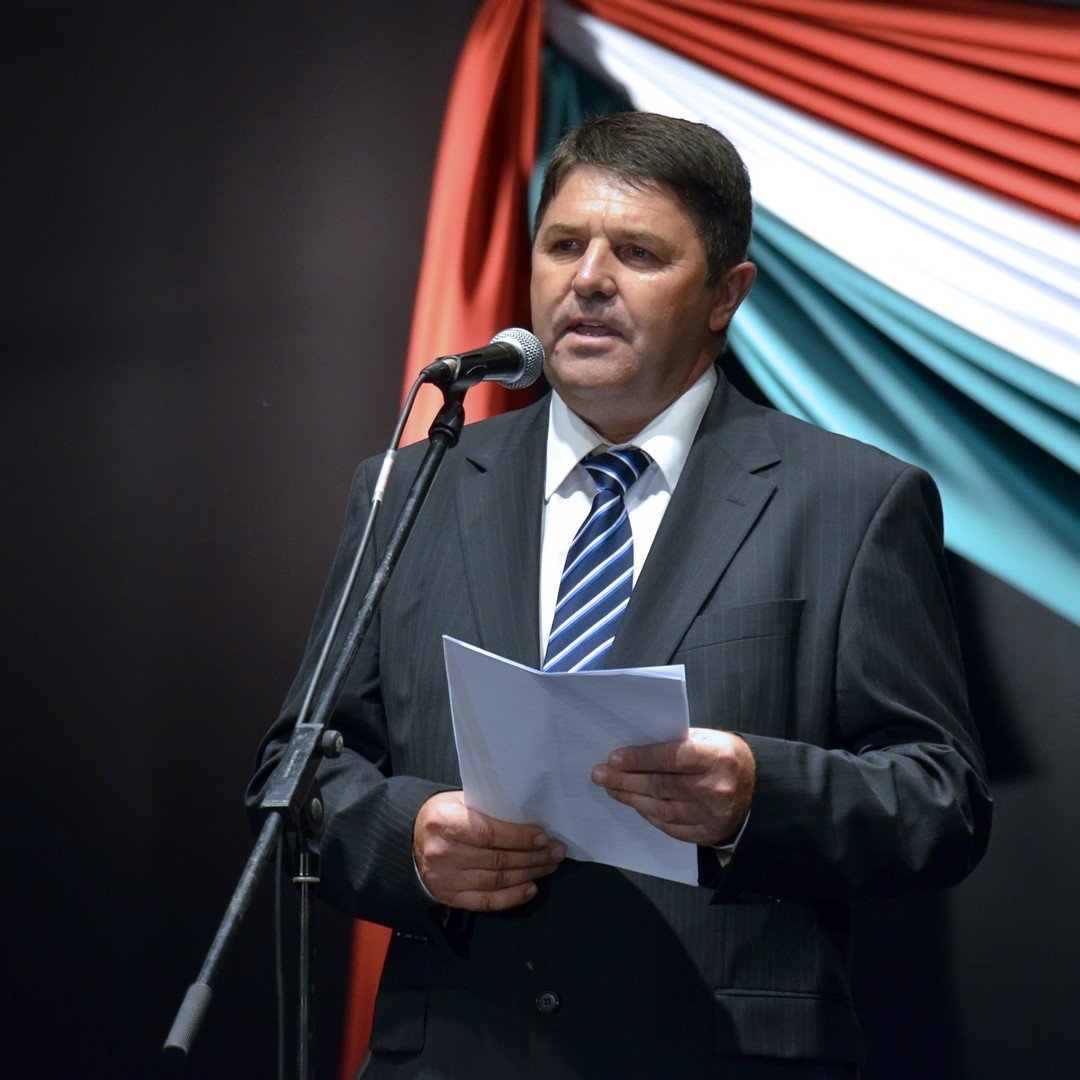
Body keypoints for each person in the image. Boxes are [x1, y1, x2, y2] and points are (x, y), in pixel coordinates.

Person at [248, 112, 991, 1079]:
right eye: (563, 245)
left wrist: (758, 796)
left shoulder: (852, 501)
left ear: (727, 294)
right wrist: (412, 843)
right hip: (459, 1050)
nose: (589, 279)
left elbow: (942, 800)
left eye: (638, 253)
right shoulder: (412, 488)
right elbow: (299, 771)